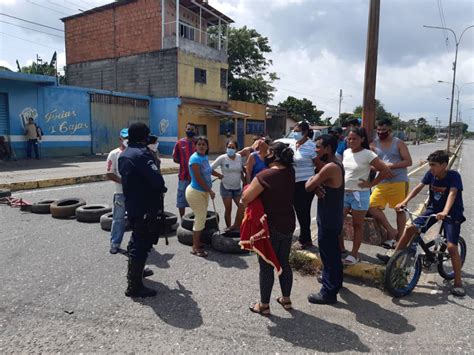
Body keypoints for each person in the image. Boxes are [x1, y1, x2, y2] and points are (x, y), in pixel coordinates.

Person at [379, 150, 466, 297]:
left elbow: (452, 193)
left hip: (452, 213)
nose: (430, 168)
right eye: (429, 164)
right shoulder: (431, 175)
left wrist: (445, 212)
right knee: (410, 229)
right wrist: (404, 202)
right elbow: (418, 187)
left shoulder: (453, 176)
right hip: (433, 209)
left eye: (433, 165)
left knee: (451, 247)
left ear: (444, 165)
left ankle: (458, 283)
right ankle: (394, 258)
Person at [242, 142, 295, 315]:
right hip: (287, 223)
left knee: (266, 266)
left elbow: (245, 198)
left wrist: (248, 186)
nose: (264, 155)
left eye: (266, 152)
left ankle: (264, 306)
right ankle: (286, 299)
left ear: (272, 154)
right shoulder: (290, 172)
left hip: (269, 227)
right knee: (283, 262)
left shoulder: (265, 175)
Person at [119, 122, 167, 298]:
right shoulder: (142, 155)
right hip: (146, 206)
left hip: (133, 205)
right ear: (144, 137)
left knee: (136, 240)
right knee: (142, 244)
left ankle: (136, 273)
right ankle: (134, 285)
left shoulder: (125, 154)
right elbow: (158, 181)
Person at [340, 127, 392, 265]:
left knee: (358, 225)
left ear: (362, 139)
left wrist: (371, 184)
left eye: (354, 138)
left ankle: (354, 254)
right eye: (349, 138)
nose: (351, 141)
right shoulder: (346, 152)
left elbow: (385, 170)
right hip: (344, 193)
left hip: (360, 195)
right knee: (338, 223)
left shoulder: (368, 154)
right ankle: (341, 249)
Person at [305, 134, 345, 304]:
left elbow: (308, 186)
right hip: (331, 215)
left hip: (329, 217)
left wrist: (313, 183)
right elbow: (316, 186)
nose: (316, 150)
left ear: (328, 148)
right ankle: (334, 281)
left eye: (319, 147)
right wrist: (316, 186)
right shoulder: (336, 163)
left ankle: (329, 292)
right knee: (332, 253)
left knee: (329, 254)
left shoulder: (330, 167)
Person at [369, 119, 412, 247]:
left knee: (399, 210)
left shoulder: (399, 143)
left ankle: (399, 240)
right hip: (382, 182)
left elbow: (408, 161)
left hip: (399, 181)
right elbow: (370, 165)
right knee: (371, 207)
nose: (380, 132)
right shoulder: (373, 145)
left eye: (383, 130)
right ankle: (391, 231)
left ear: (390, 130)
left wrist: (391, 166)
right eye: (379, 130)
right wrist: (382, 168)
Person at [185, 136, 219, 257]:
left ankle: (197, 242)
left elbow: (208, 170)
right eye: (199, 144)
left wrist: (219, 175)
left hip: (203, 192)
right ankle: (195, 247)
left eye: (203, 144)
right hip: (195, 192)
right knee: (200, 218)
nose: (201, 146)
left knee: (201, 218)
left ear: (207, 146)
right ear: (195, 146)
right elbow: (198, 178)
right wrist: (210, 190)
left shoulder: (204, 157)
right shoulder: (194, 159)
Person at [290, 121, 318, 250]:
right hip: (294, 183)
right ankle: (304, 237)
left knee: (303, 211)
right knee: (298, 211)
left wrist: (317, 182)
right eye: (294, 131)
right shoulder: (293, 145)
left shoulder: (311, 146)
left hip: (306, 183)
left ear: (305, 132)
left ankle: (305, 239)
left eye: (297, 131)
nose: (295, 133)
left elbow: (319, 165)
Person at [211, 140, 245, 231]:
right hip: (226, 188)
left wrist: (245, 183)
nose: (230, 149)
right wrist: (219, 175)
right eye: (229, 147)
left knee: (243, 209)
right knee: (228, 210)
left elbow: (241, 171)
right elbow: (210, 169)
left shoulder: (239, 157)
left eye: (233, 147)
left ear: (236, 149)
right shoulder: (222, 158)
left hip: (237, 188)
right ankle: (229, 228)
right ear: (226, 148)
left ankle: (240, 226)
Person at [107, 128, 129, 254]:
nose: (127, 141)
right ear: (120, 139)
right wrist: (124, 182)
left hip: (134, 193)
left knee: (137, 218)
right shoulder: (114, 154)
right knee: (118, 219)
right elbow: (109, 174)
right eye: (125, 138)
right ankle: (115, 243)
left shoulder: (136, 153)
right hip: (120, 193)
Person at [173, 122, 197, 219]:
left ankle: (195, 219)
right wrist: (184, 163)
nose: (190, 131)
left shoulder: (198, 143)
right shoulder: (179, 143)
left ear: (195, 131)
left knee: (195, 199)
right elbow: (175, 158)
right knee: (181, 200)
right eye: (188, 129)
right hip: (183, 177)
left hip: (196, 177)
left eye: (192, 129)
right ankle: (183, 220)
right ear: (185, 130)